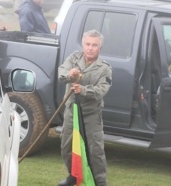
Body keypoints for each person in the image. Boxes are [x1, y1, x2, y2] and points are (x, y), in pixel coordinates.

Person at [58, 30, 112, 186]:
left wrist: (84, 90)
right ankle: (73, 176)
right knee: (67, 147)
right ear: (83, 44)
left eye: (94, 45)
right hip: (71, 112)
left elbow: (102, 89)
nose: (90, 48)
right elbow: (61, 73)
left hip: (91, 114)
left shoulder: (105, 68)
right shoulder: (73, 58)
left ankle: (100, 182)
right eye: (87, 44)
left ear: (99, 48)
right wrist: (70, 74)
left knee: (95, 151)